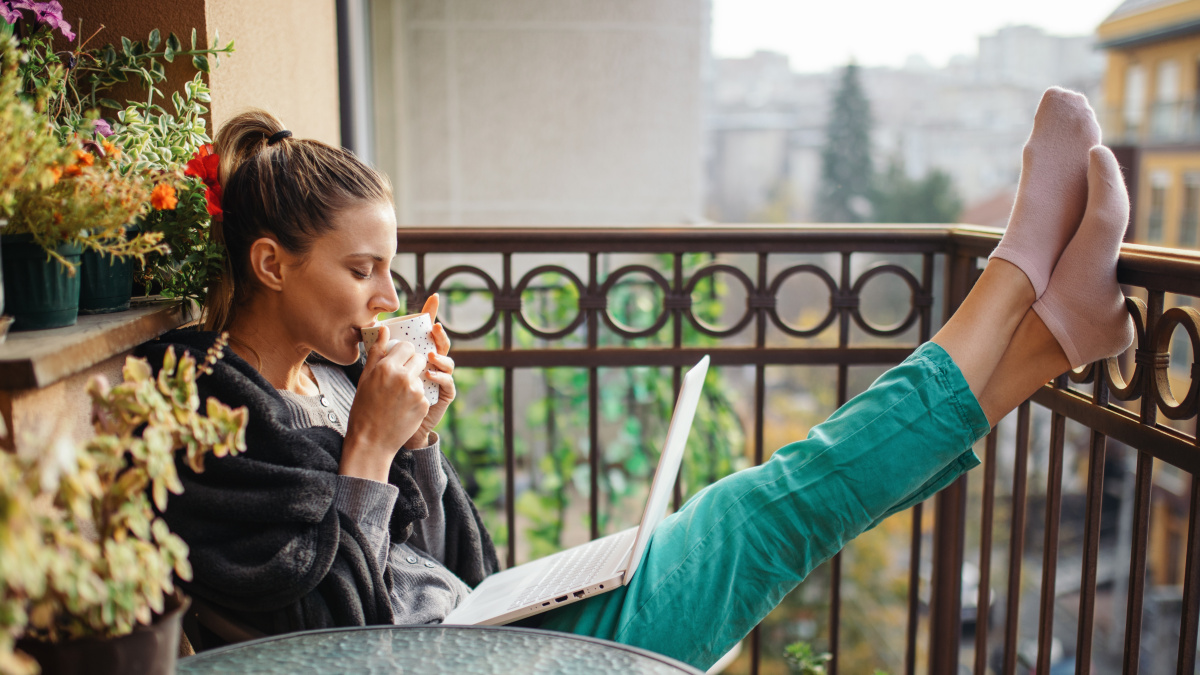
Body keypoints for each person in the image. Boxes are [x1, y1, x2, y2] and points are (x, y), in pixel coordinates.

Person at [141, 88, 1132, 670]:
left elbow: (450, 564)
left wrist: (419, 443)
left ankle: (1049, 338)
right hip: (465, 661)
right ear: (272, 265)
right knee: (768, 510)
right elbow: (339, 648)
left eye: (388, 265)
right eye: (361, 270)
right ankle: (1012, 279)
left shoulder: (323, 381)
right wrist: (371, 450)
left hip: (488, 635)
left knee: (781, 511)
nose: (387, 292)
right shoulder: (210, 415)